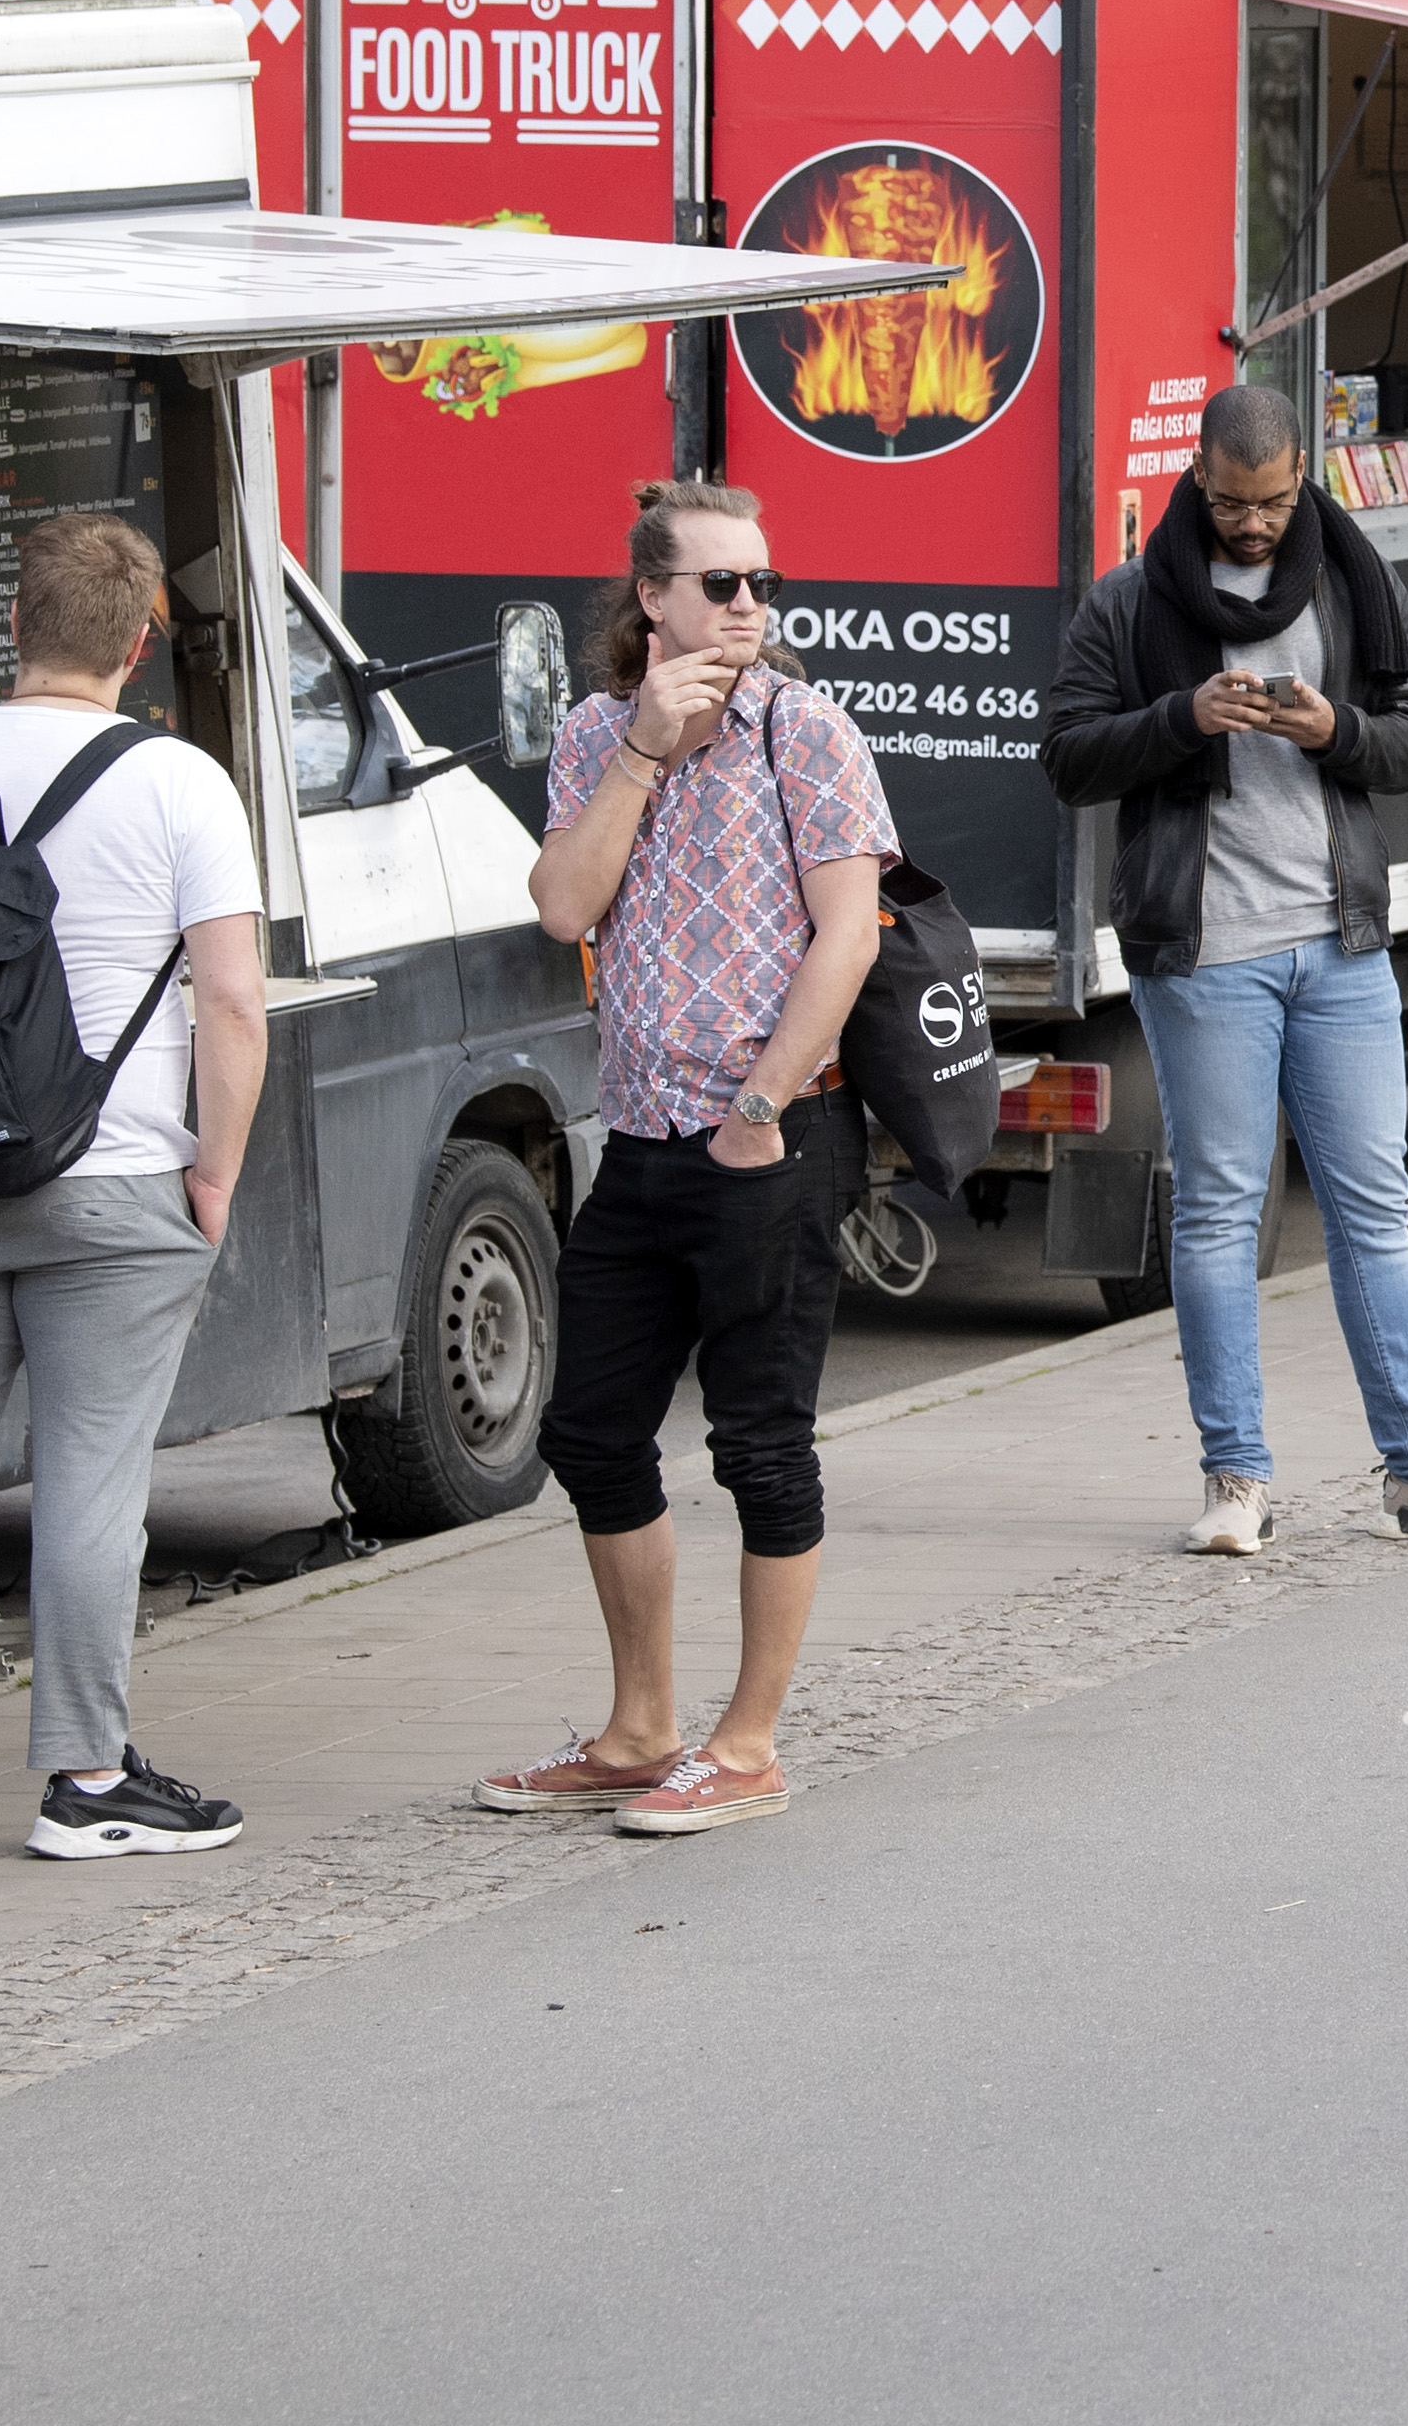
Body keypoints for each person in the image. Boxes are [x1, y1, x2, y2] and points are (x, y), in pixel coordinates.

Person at [1041, 385, 1408, 1554]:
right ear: (1199, 478)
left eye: (1272, 500)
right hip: (1205, 952)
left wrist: (1336, 733)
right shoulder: (1128, 600)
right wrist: (1181, 715)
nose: (1253, 523)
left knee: (1375, 1210)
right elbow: (1066, 757)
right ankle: (1235, 1484)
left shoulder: (1352, 580)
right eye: (1230, 501)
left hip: (1338, 945)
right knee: (1220, 1212)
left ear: (1300, 480)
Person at [0, 514, 268, 1861]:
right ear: (138, 642)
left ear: (10, 625)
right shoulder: (177, 781)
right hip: (116, 1182)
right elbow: (233, 1002)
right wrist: (215, 1174)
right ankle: (86, 1782)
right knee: (91, 1477)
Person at [476, 481, 890, 1838]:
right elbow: (561, 906)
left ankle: (749, 1741)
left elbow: (849, 935)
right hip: (642, 1136)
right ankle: (641, 1727)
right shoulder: (596, 732)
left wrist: (764, 1100)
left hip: (766, 1133)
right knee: (591, 1428)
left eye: (760, 584)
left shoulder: (805, 730)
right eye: (720, 587)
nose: (748, 610)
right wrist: (643, 755)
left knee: (762, 1441)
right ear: (650, 598)